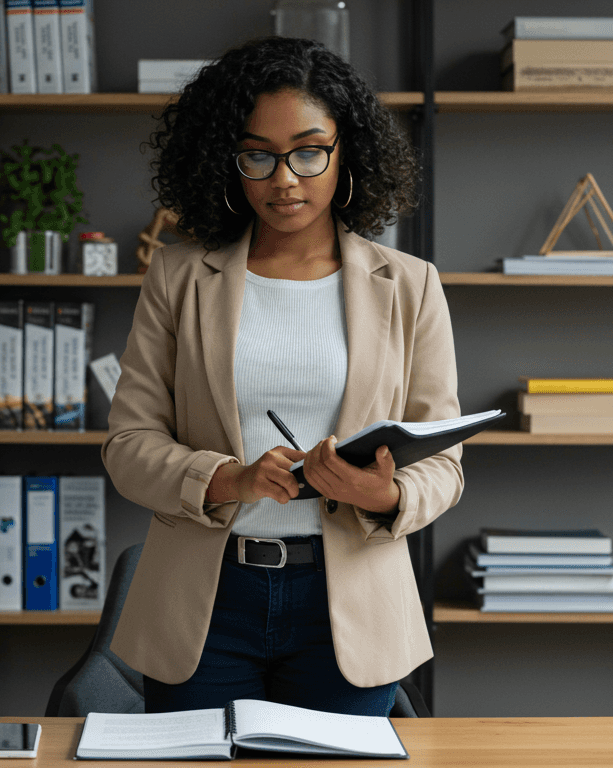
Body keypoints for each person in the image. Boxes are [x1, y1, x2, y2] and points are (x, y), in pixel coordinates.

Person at [102, 36, 464, 716]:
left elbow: (444, 461)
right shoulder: (179, 277)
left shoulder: (409, 285)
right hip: (205, 607)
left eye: (307, 151)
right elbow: (127, 446)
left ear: (344, 149)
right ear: (227, 160)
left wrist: (382, 494)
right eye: (257, 155)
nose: (284, 178)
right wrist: (229, 478)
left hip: (350, 603)